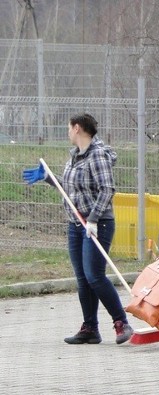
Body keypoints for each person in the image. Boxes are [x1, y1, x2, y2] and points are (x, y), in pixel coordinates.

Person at [23, 113, 134, 345]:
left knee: (95, 275)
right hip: (76, 224)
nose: (67, 132)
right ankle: (90, 328)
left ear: (77, 128)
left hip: (98, 223)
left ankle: (121, 322)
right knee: (83, 278)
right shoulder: (75, 156)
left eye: (68, 128)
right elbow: (72, 188)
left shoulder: (98, 156)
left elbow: (107, 189)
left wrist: (93, 219)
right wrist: (48, 178)